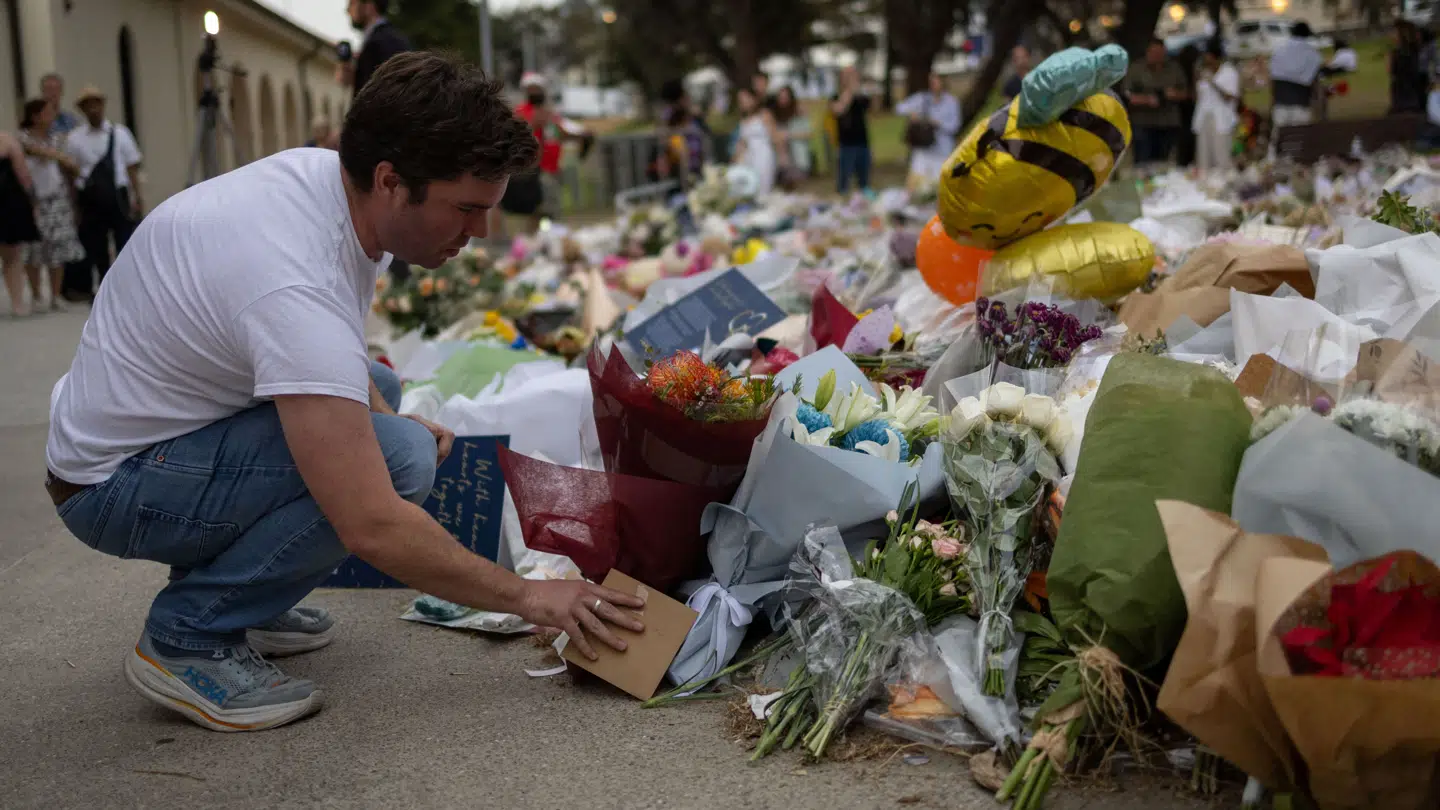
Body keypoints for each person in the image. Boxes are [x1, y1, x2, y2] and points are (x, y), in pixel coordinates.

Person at [47, 52, 644, 733]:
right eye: (466, 210)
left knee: (383, 394)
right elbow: (370, 524)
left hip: (140, 441)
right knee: (396, 463)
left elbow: (330, 352)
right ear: (392, 181)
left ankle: (249, 593)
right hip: (113, 487)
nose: (478, 235)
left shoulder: (330, 188)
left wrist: (388, 412)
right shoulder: (290, 274)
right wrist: (533, 595)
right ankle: (189, 636)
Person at [64, 85, 143, 297]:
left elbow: (131, 167)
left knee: (124, 242)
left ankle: (125, 287)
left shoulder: (120, 133)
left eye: (96, 104)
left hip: (118, 193)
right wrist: (74, 204)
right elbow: (71, 174)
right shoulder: (75, 138)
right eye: (88, 105)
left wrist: (137, 196)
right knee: (95, 244)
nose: (93, 109)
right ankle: (103, 287)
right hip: (90, 196)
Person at [19, 99, 85, 313]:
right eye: (47, 112)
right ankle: (37, 295)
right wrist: (59, 157)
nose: (52, 116)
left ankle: (55, 296)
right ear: (35, 116)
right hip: (31, 199)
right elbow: (31, 150)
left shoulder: (57, 139)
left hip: (57, 198)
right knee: (34, 249)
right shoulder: (23, 137)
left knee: (57, 248)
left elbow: (72, 167)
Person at [513, 73, 591, 231]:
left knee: (549, 208)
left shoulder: (549, 114)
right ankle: (536, 240)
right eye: (531, 90)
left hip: (551, 169)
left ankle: (546, 238)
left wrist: (583, 136)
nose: (535, 93)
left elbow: (560, 132)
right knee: (538, 209)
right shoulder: (522, 111)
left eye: (537, 89)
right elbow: (525, 129)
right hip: (533, 169)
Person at [1124, 38, 1188, 164]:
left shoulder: (1174, 69)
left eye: (1160, 53)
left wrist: (1172, 94)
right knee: (1143, 162)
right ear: (1147, 52)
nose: (1157, 56)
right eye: (1154, 53)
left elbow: (1186, 93)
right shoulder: (1136, 69)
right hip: (1143, 123)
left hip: (1168, 122)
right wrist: (1147, 99)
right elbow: (1127, 95)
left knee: (1164, 162)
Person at [895, 71, 960, 191]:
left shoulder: (951, 102)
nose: (933, 85)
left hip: (942, 150)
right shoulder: (922, 98)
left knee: (937, 186)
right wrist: (912, 114)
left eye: (936, 82)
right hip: (923, 148)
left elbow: (954, 126)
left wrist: (938, 123)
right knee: (917, 185)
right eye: (931, 82)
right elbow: (899, 108)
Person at [0, 130, 41, 317]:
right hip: (7, 201)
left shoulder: (7, 140)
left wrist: (31, 201)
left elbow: (23, 174)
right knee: (12, 257)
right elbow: (23, 174)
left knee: (12, 255)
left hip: (7, 203)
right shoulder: (7, 140)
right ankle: (17, 303)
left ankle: (17, 302)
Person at [339, 0, 412, 100]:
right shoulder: (392, 38)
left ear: (369, 6)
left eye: (353, 3)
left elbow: (373, 94)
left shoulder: (378, 42)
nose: (347, 10)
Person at [1192, 41, 1240, 173]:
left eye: (1208, 57)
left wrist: (1213, 82)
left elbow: (1230, 97)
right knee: (1204, 156)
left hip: (1221, 119)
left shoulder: (1229, 72)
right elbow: (1197, 97)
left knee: (1221, 156)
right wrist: (1197, 79)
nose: (1206, 60)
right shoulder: (1203, 72)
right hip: (1203, 117)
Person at [1268, 22, 1323, 138]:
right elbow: (1315, 83)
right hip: (1301, 104)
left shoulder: (1279, 50)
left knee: (1280, 141)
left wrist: (1272, 103)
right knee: (1299, 141)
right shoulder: (1313, 54)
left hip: (1280, 103)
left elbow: (1273, 80)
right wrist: (1319, 106)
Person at [732, 87, 788, 197]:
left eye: (746, 99)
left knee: (763, 188)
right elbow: (743, 141)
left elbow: (775, 135)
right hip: (749, 156)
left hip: (764, 155)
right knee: (750, 189)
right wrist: (736, 157)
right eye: (741, 100)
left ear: (754, 98)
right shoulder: (743, 119)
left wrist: (782, 156)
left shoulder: (765, 114)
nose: (744, 103)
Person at [830, 66, 872, 195]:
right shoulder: (836, 96)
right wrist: (849, 91)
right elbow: (838, 110)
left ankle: (863, 199)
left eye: (853, 75)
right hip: (846, 143)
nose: (851, 78)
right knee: (844, 179)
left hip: (863, 142)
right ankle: (842, 197)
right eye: (847, 76)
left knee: (864, 180)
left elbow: (874, 108)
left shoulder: (860, 96)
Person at [772, 86, 813, 180]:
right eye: (780, 97)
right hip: (780, 162)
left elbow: (808, 133)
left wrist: (788, 135)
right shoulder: (775, 115)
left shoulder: (800, 113)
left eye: (785, 97)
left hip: (798, 160)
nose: (783, 100)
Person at [1390, 20, 1427, 115]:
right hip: (1411, 101)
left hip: (1406, 103)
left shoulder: (1402, 55)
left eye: (1394, 32)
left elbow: (1394, 72)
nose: (1391, 35)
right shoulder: (1415, 52)